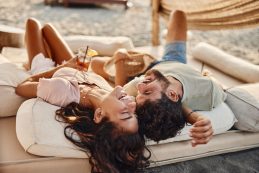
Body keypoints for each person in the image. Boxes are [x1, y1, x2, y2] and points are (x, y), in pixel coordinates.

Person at [15, 18, 150, 173]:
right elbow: (120, 84)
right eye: (134, 113)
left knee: (32, 23)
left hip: (48, 71)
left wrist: (65, 66)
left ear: (99, 115)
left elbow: (21, 87)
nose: (132, 104)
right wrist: (120, 58)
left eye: (126, 113)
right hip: (78, 71)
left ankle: (29, 63)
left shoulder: (61, 91)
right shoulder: (109, 96)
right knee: (48, 28)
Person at [90, 10, 214, 146]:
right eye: (148, 92)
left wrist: (120, 59)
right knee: (178, 14)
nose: (140, 88)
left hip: (146, 69)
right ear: (173, 95)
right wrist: (195, 117)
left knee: (95, 64)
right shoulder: (208, 90)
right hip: (174, 60)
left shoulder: (139, 85)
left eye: (139, 94)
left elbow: (120, 88)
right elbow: (175, 106)